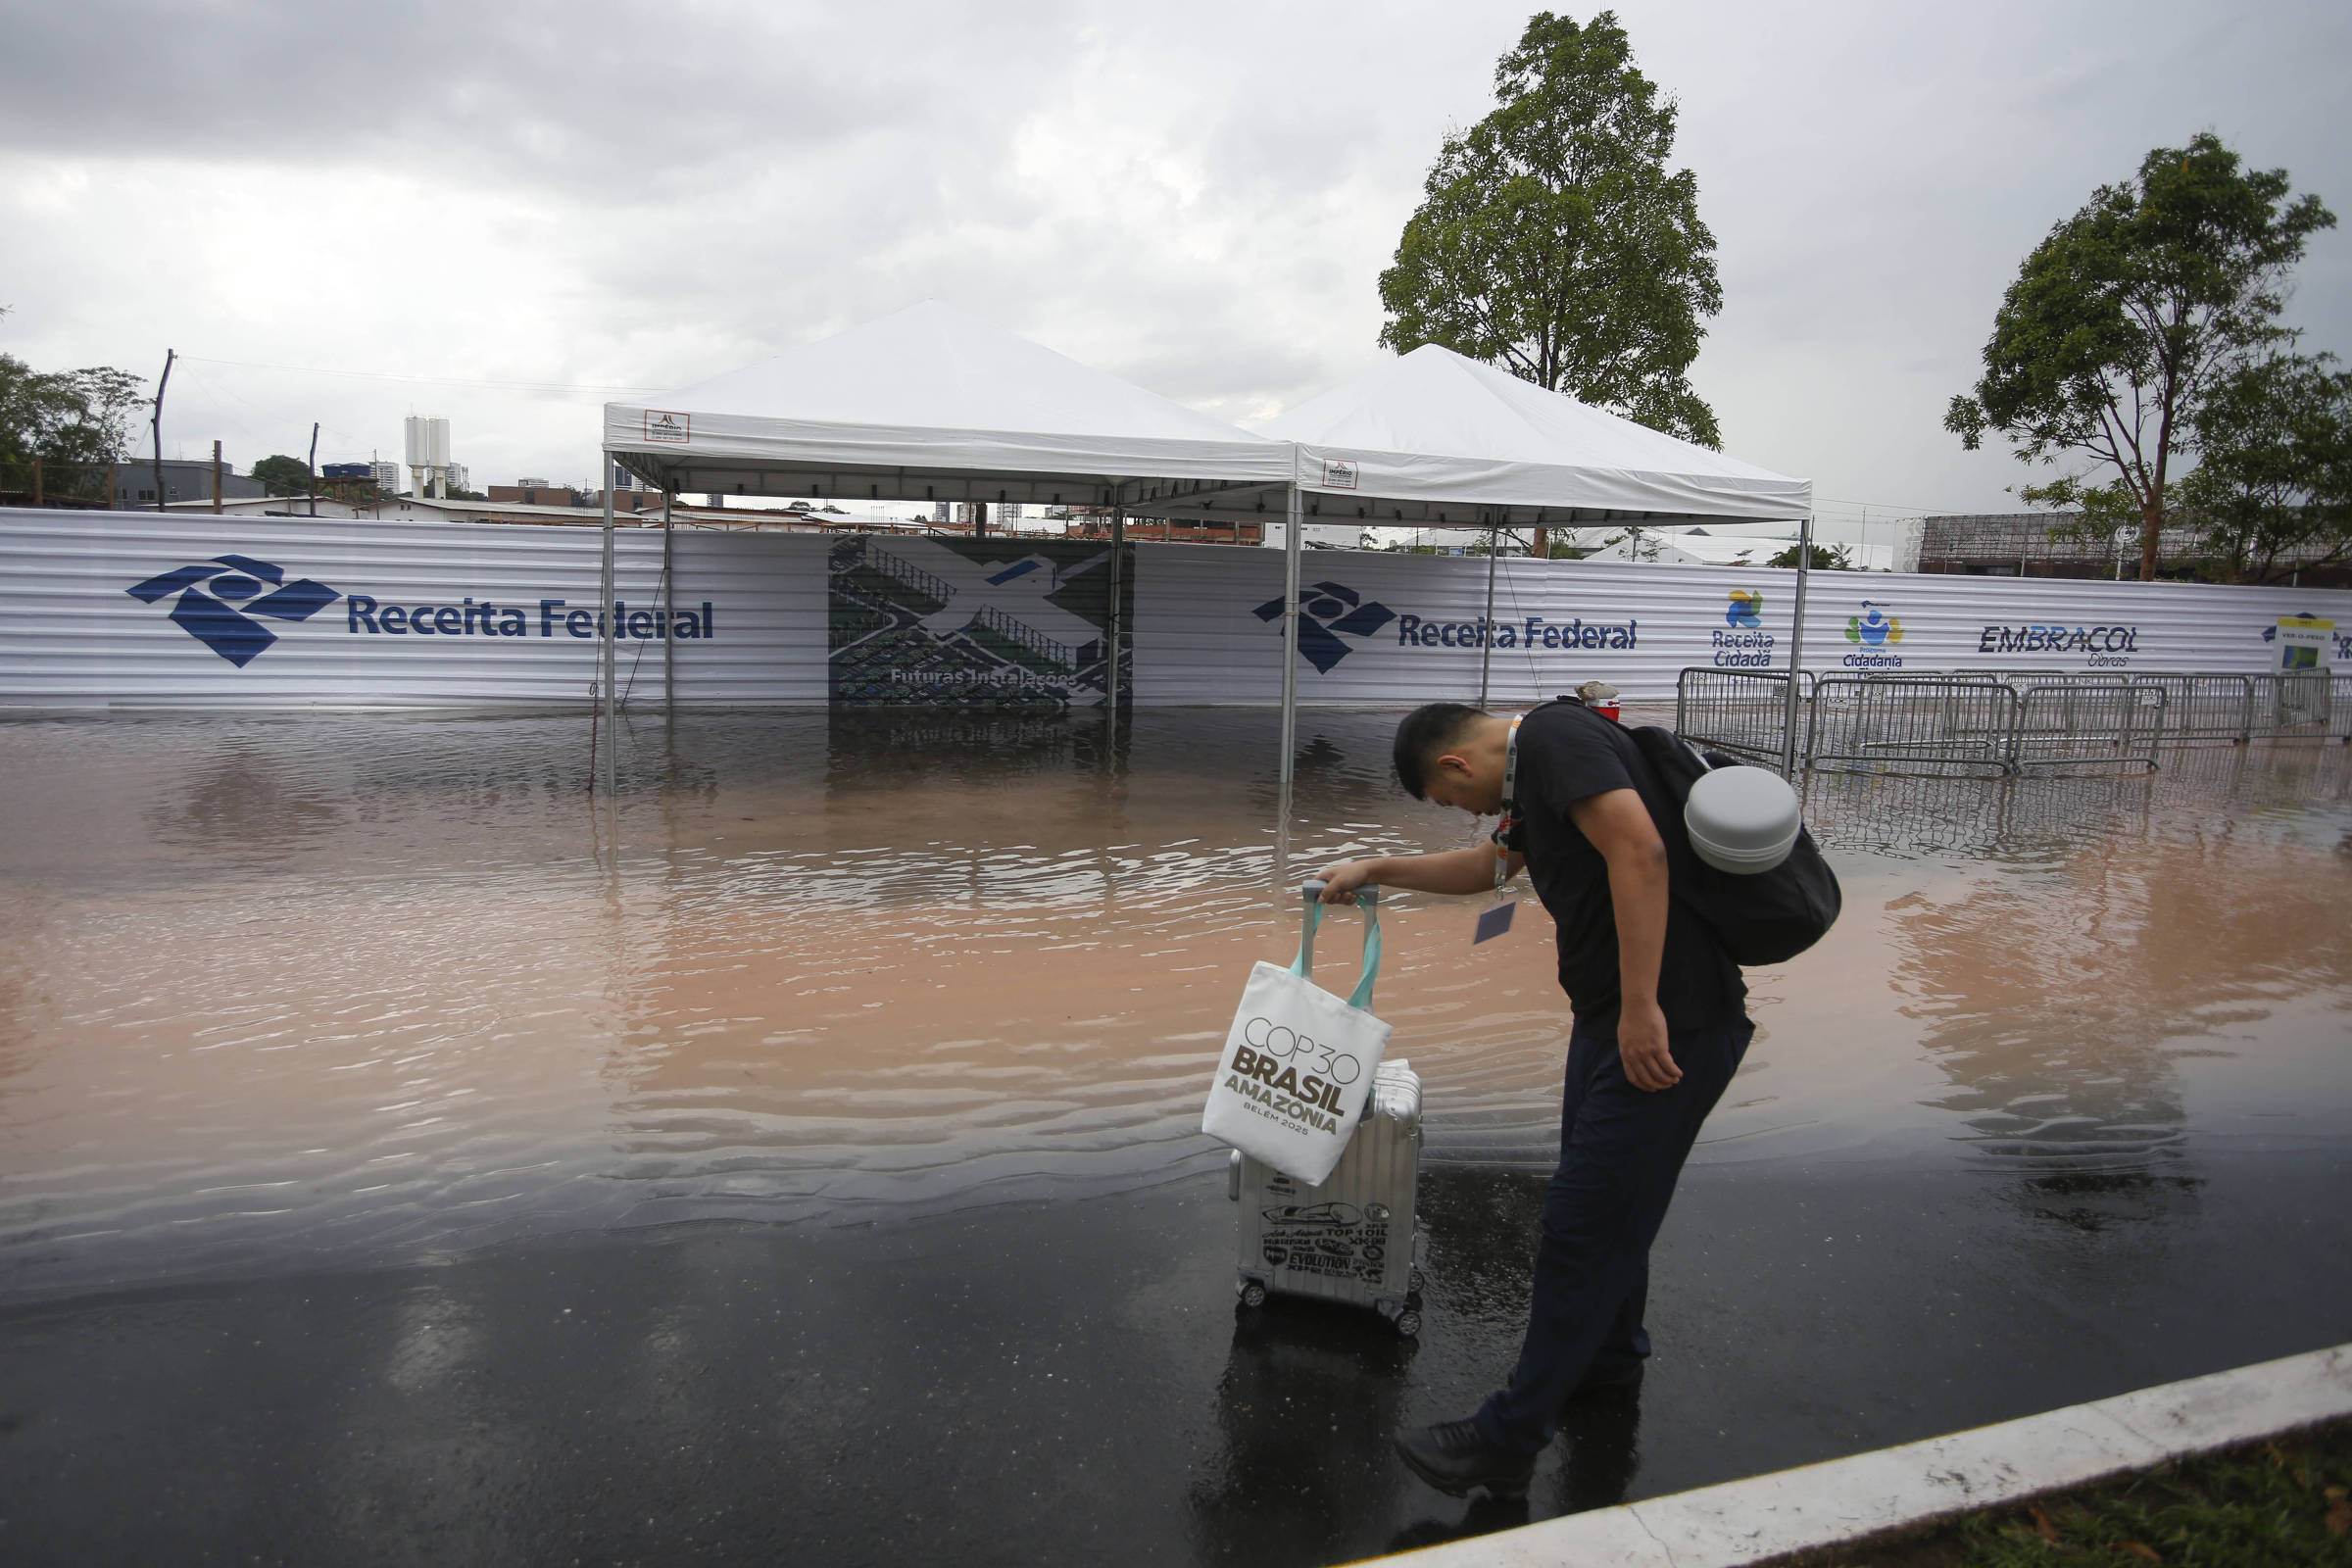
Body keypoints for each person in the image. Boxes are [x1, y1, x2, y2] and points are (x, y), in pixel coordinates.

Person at [1315, 698, 1754, 1499]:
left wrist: (1641, 1005)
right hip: (1615, 1025)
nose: (1472, 814)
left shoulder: (1555, 738)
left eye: (1457, 802)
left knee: (1581, 1225)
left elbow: (1641, 853)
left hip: (1665, 1028)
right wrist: (1374, 869)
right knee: (1609, 1208)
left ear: (1456, 764)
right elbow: (1490, 871)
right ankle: (1610, 1362)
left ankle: (1507, 1439)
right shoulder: (1538, 779)